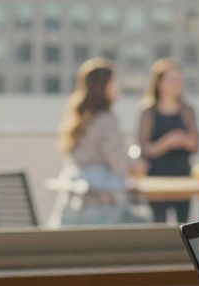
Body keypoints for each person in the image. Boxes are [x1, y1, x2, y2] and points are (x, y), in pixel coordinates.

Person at [50, 59, 147, 226]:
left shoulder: (80, 118)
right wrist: (137, 165)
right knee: (147, 223)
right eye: (114, 81)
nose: (118, 86)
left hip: (75, 210)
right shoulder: (105, 120)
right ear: (104, 86)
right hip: (100, 208)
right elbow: (118, 162)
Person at [137, 59, 199, 224]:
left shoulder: (187, 110)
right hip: (157, 177)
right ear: (159, 83)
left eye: (179, 80)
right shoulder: (148, 111)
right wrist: (167, 142)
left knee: (184, 225)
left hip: (182, 176)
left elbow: (196, 145)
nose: (176, 84)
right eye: (171, 80)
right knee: (158, 225)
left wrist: (185, 141)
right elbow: (143, 148)